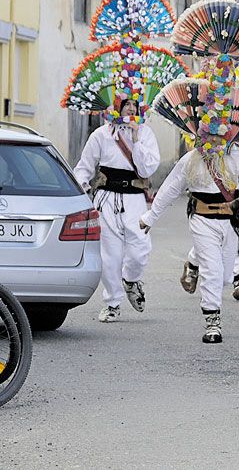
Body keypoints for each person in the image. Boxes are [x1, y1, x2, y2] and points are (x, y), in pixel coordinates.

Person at [140, 143, 239, 344]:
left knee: (225, 277)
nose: (215, 138)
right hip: (201, 220)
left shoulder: (237, 159)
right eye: (210, 132)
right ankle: (212, 321)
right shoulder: (191, 159)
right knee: (213, 272)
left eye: (220, 133)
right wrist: (151, 216)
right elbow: (170, 188)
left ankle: (193, 259)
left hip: (230, 222)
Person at [72, 99, 160, 322]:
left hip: (135, 199)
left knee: (140, 248)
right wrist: (81, 190)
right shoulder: (101, 134)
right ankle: (112, 302)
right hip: (106, 199)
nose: (131, 108)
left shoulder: (146, 134)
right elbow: (85, 166)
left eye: (135, 105)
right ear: (117, 106)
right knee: (109, 254)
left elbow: (147, 167)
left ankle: (131, 279)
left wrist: (137, 140)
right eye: (126, 104)